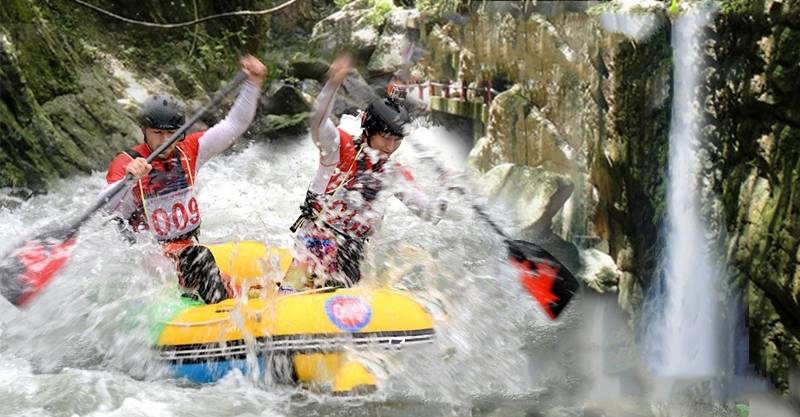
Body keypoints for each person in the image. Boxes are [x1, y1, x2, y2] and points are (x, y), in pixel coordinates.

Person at [101, 55, 266, 304]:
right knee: (200, 259)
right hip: (150, 258)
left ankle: (215, 299)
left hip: (183, 251)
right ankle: (221, 316)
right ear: (144, 131)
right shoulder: (127, 163)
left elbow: (234, 125)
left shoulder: (190, 150)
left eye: (170, 133)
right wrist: (128, 181)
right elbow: (106, 209)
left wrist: (253, 84)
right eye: (156, 133)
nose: (163, 140)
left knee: (217, 270)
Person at [288, 55, 446, 289]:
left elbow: (429, 213)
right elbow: (319, 122)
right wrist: (332, 84)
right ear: (368, 130)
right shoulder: (336, 149)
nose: (391, 147)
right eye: (385, 138)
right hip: (316, 243)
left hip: (354, 253)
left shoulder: (392, 173)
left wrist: (447, 190)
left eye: (397, 140)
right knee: (296, 291)